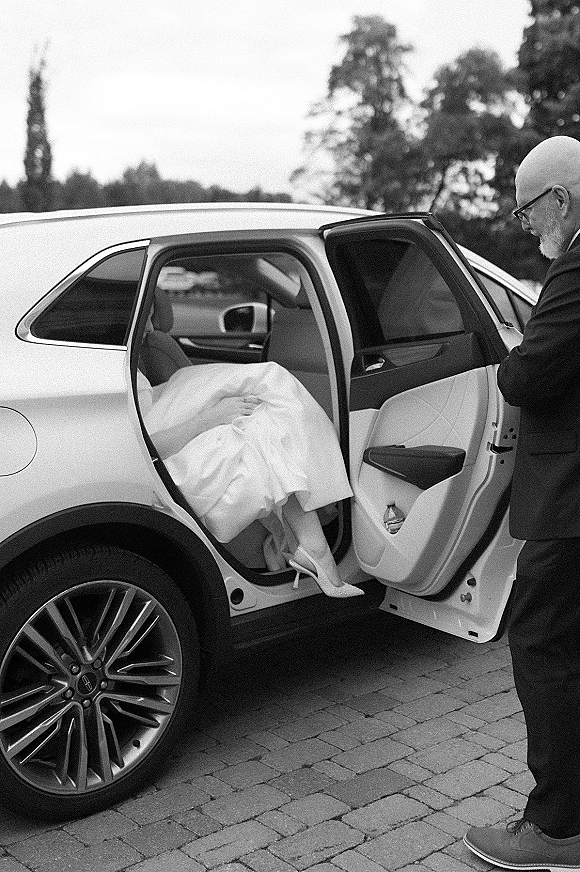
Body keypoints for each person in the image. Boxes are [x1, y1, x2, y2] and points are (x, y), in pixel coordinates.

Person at [464, 135, 580, 869]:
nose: (526, 224)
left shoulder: (577, 266)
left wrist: (509, 361)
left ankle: (556, 829)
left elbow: (533, 373)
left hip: (570, 503)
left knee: (543, 648)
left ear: (560, 199)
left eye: (527, 210)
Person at [137, 359, 364, 599]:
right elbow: (141, 447)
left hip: (167, 407)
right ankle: (317, 550)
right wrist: (210, 417)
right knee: (266, 404)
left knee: (270, 393)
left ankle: (315, 549)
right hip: (156, 443)